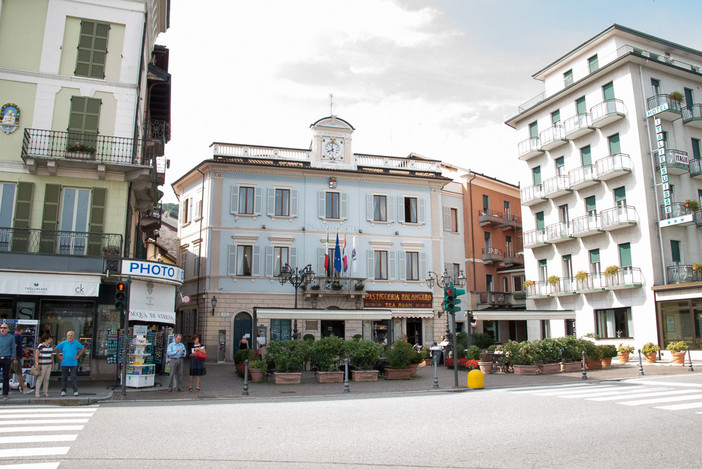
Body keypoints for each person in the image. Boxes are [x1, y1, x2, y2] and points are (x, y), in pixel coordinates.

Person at [55, 331, 85, 397]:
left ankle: (75, 391)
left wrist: (78, 355)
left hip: (73, 363)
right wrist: (59, 356)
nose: (70, 337)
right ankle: (63, 390)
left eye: (71, 335)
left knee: (73, 377)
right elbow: (56, 348)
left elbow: (82, 348)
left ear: (73, 336)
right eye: (69, 335)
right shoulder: (64, 343)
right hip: (64, 363)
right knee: (64, 377)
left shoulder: (76, 343)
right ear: (67, 336)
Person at [11, 324, 31, 394]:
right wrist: (15, 358)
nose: (24, 331)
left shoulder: (16, 336)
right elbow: (14, 347)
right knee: (19, 373)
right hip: (15, 358)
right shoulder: (16, 337)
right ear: (21, 329)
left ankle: (3, 389)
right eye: (23, 330)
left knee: (9, 373)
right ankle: (24, 388)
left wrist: (23, 350)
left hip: (14, 357)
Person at [33, 333, 54, 398]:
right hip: (42, 364)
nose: (51, 340)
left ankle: (45, 391)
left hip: (48, 364)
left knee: (46, 378)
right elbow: (36, 354)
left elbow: (51, 355)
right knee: (40, 378)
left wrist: (52, 362)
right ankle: (37, 392)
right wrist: (37, 364)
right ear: (46, 339)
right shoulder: (41, 346)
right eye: (49, 339)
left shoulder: (50, 346)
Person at [0, 323, 16, 401]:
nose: (2, 329)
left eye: (4, 328)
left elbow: (13, 348)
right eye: (1, 328)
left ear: (7, 329)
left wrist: (12, 357)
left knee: (6, 376)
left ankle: (5, 393)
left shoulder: (11, 337)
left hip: (6, 358)